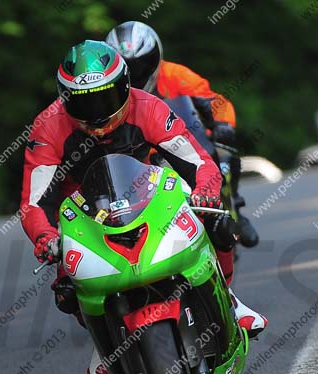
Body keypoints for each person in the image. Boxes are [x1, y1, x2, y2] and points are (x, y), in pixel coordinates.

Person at [20, 40, 267, 374]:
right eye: (83, 101)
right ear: (64, 98)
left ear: (124, 86)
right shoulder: (47, 127)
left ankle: (228, 301)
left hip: (146, 188)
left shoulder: (147, 105)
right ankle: (104, 342)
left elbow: (198, 162)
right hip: (83, 208)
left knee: (216, 220)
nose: (97, 112)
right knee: (66, 286)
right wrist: (46, 237)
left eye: (104, 98)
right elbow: (34, 201)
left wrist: (206, 194)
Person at [105, 21, 259, 247]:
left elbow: (212, 100)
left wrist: (223, 123)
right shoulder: (112, 94)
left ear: (156, 56)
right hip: (141, 160)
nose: (137, 74)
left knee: (226, 156)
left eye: (142, 64)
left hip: (186, 145)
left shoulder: (175, 74)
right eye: (129, 68)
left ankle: (232, 208)